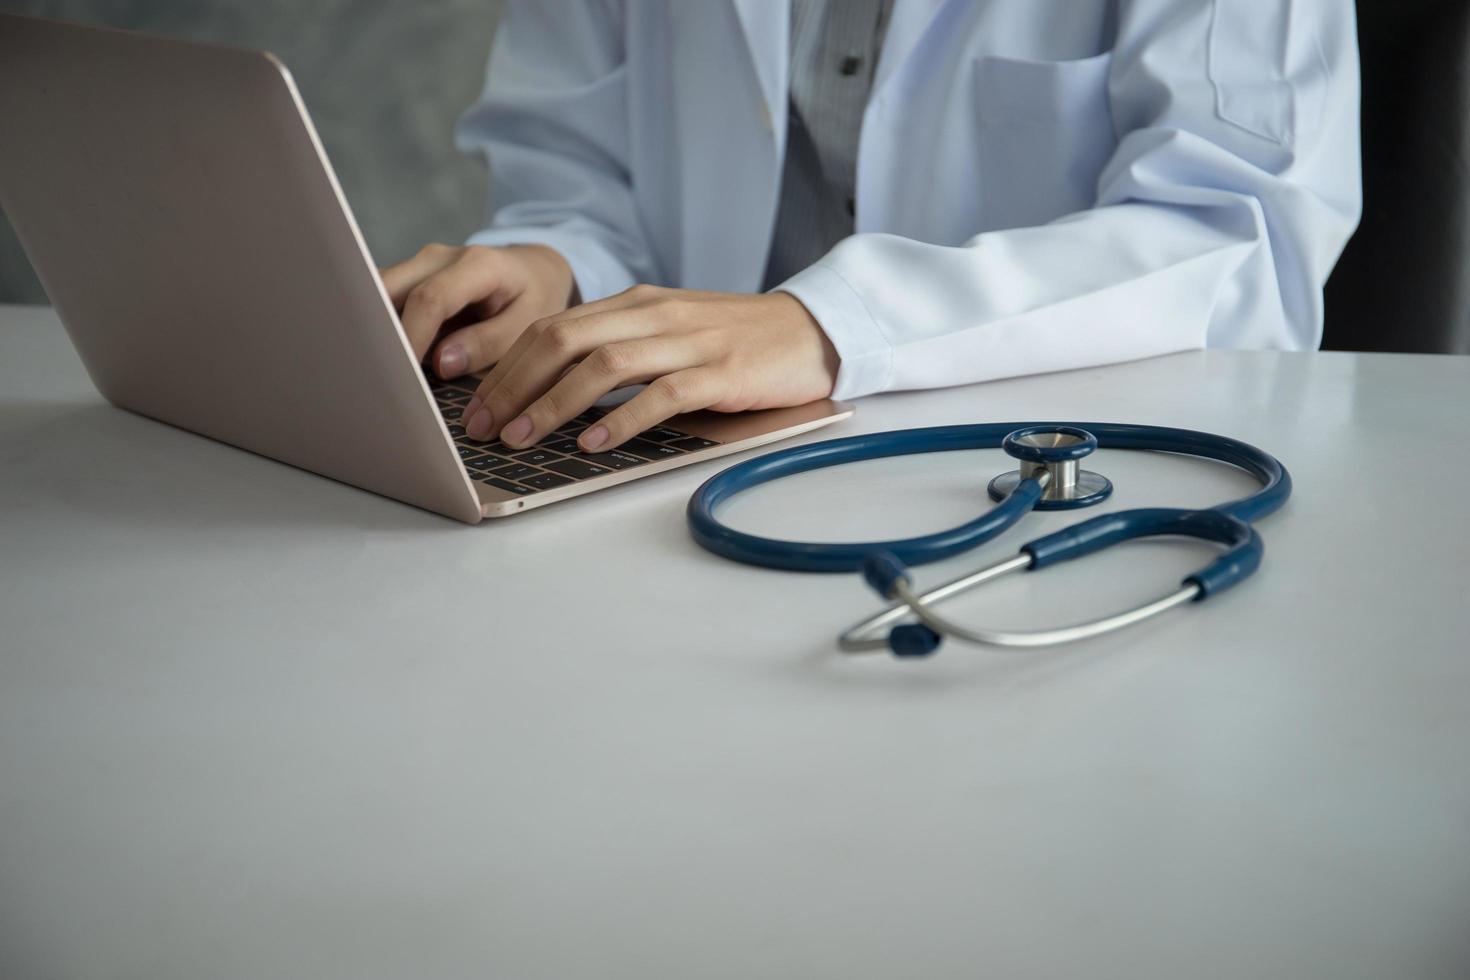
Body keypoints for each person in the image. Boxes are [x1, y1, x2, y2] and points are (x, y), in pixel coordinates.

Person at [380, 1, 1360, 456]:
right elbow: (579, 161)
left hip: (1063, 473)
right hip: (682, 455)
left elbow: (1240, 244)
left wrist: (835, 326)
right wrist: (560, 263)